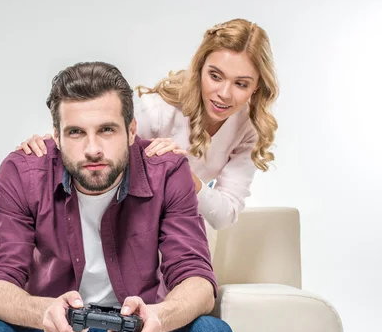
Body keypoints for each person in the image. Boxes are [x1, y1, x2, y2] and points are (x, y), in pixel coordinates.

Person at [0, 61, 240, 332]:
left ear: (132, 130)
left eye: (106, 129)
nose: (92, 148)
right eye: (76, 132)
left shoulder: (167, 171)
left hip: (139, 330)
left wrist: (160, 317)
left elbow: (197, 279)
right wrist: (43, 312)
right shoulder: (22, 172)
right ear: (57, 136)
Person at [17, 18, 279, 230]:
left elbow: (223, 216)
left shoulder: (248, 130)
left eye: (241, 83)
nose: (224, 93)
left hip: (177, 225)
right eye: (215, 76)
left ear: (257, 87)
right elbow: (95, 140)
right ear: (199, 69)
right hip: (126, 220)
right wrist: (48, 146)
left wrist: (186, 177)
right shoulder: (159, 112)